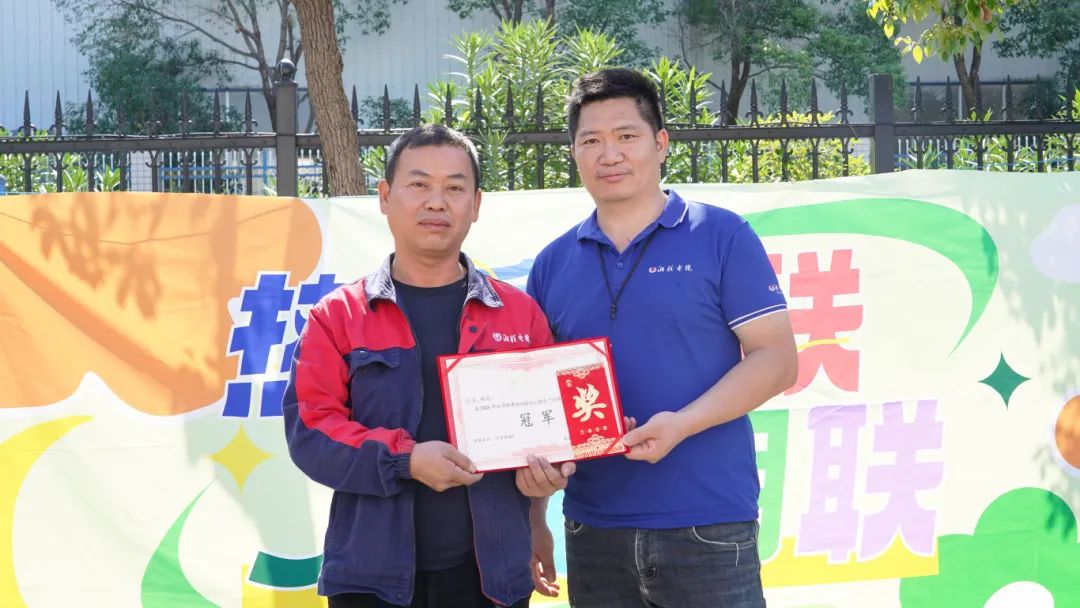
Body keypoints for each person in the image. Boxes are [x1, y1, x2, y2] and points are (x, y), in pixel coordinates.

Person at [526, 69, 798, 607]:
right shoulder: (552, 264)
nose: (610, 154)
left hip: (708, 526)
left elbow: (777, 359)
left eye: (626, 136)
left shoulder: (721, 235)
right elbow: (536, 399)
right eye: (591, 140)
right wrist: (534, 516)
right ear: (574, 153)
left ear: (661, 143)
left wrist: (682, 424)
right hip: (592, 529)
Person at [283, 124, 573, 608]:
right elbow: (311, 432)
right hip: (370, 580)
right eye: (419, 184)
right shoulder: (339, 316)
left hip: (491, 580)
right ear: (384, 196)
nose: (437, 202)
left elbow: (550, 431)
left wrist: (543, 491)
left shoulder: (519, 314)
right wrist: (406, 460)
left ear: (475, 204)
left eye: (454, 188)